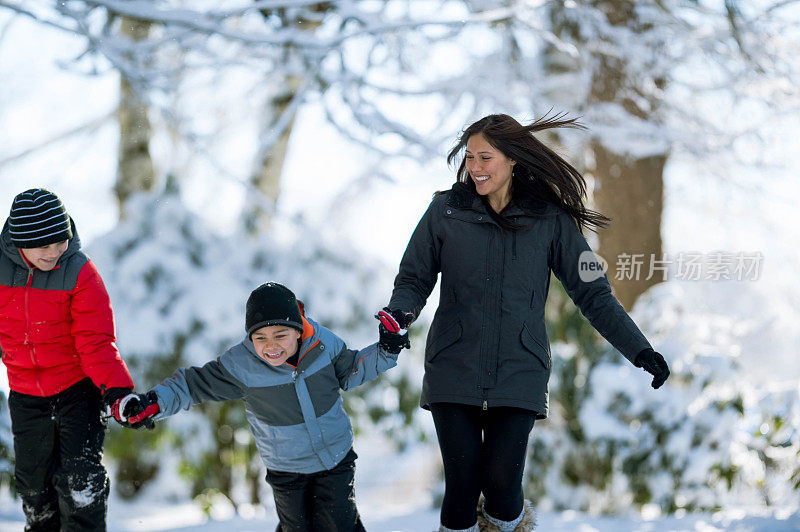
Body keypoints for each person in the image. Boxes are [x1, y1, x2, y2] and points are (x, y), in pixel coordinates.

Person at [380, 114, 670, 532]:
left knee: (501, 484)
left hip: (520, 367)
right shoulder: (445, 210)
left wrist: (640, 349)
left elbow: (594, 292)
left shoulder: (551, 219)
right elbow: (413, 278)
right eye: (470, 157)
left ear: (513, 159)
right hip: (453, 363)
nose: (475, 167)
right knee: (461, 486)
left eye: (486, 157)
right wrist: (399, 317)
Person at [112, 282, 410, 531]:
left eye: (280, 335)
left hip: (335, 456)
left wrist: (387, 348)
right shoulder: (241, 366)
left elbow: (353, 369)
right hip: (286, 467)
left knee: (338, 524)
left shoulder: (323, 344)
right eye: (260, 338)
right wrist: (152, 403)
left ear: (298, 329)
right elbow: (191, 385)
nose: (271, 346)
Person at [0, 188, 138, 531]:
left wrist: (118, 392)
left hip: (77, 390)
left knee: (80, 481)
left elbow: (96, 340)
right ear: (20, 244)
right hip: (25, 394)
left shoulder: (79, 271)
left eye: (60, 241)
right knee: (35, 487)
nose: (54, 252)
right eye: (42, 246)